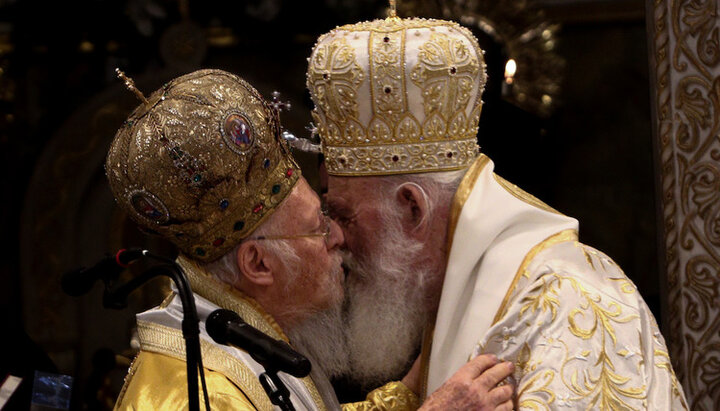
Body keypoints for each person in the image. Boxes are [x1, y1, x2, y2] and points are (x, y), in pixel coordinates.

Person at [306, 13, 689, 409]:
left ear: (412, 207)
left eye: (343, 215)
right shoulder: (451, 285)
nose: (333, 236)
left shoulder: (567, 303)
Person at [106, 69, 515, 410]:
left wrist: (409, 389)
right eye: (319, 226)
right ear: (259, 264)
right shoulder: (199, 394)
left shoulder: (240, 338)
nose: (339, 237)